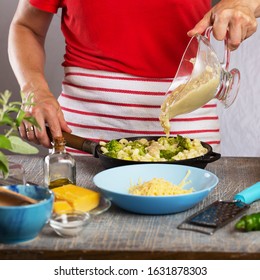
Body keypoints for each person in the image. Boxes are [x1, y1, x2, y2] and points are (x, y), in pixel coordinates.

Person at [8, 0, 260, 154]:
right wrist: (35, 92)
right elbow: (26, 27)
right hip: (83, 142)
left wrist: (245, 3)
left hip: (189, 146)